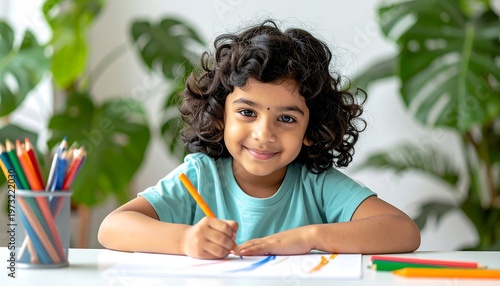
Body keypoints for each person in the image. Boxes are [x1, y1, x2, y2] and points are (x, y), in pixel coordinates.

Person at [98, 20, 421, 259]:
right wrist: (185, 240)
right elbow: (113, 227)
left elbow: (403, 230)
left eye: (286, 119)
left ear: (310, 131)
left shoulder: (317, 184)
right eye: (247, 113)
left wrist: (309, 236)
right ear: (220, 115)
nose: (264, 134)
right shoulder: (199, 176)